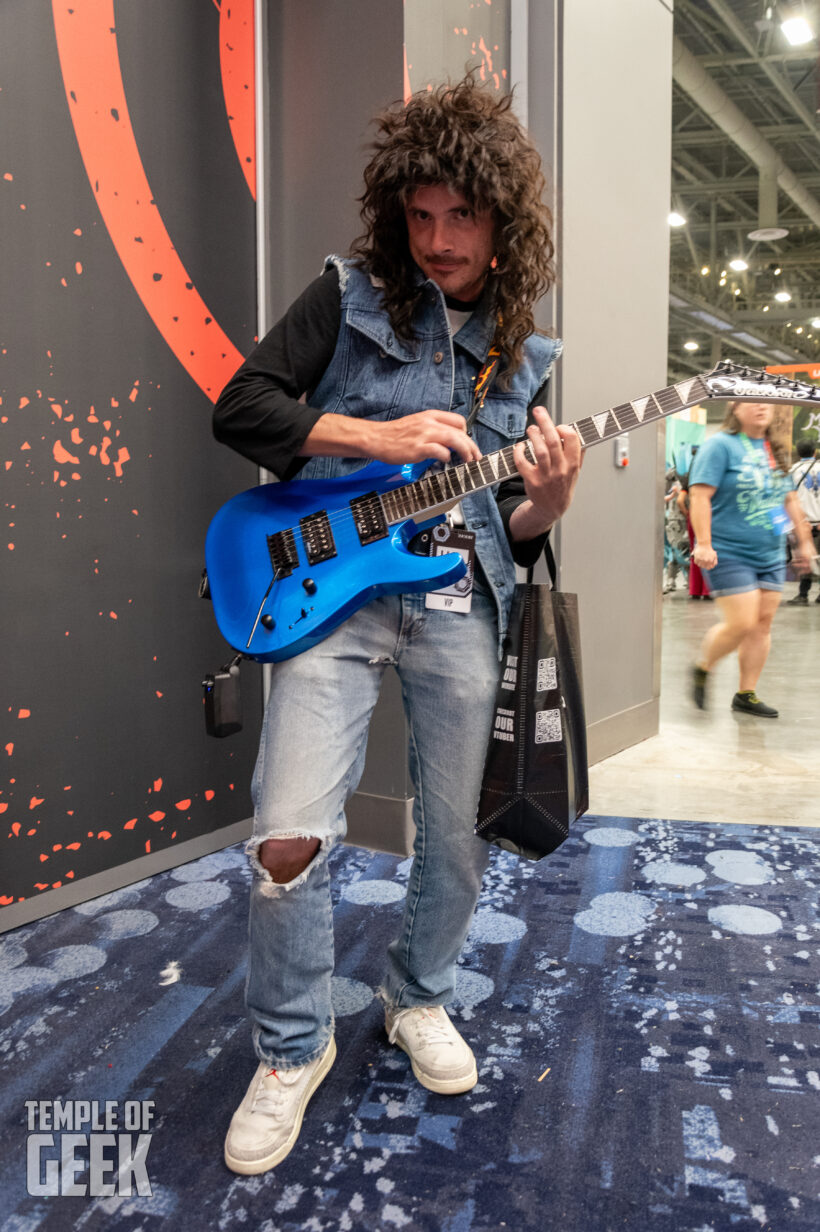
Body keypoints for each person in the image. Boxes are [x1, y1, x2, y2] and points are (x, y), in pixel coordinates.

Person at [211, 78, 582, 1175]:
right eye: (418, 217)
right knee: (287, 835)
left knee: (456, 837)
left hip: (459, 598)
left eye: (459, 218)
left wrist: (549, 503)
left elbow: (509, 528)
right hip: (332, 597)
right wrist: (370, 439)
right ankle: (288, 1049)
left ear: (499, 218)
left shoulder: (530, 355)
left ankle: (416, 995)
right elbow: (242, 406)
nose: (436, 241)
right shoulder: (351, 294)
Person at [689, 401, 814, 717]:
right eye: (751, 402)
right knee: (742, 622)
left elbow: (789, 500)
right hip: (729, 551)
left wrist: (804, 542)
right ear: (735, 408)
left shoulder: (774, 449)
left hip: (770, 554)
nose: (761, 407)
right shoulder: (720, 446)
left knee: (761, 624)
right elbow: (699, 494)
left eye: (766, 402)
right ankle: (704, 666)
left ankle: (746, 693)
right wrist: (703, 543)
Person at [786, 437, 820, 605]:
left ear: (798, 453)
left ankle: (803, 594)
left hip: (803, 523)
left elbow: (787, 498)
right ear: (815, 452)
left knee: (805, 557)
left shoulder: (793, 470)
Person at [676, 445, 712, 600]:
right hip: (709, 514)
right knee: (708, 548)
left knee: (695, 550)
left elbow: (680, 500)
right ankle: (707, 590)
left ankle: (695, 589)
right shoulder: (710, 473)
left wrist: (688, 513)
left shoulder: (689, 475)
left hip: (693, 515)